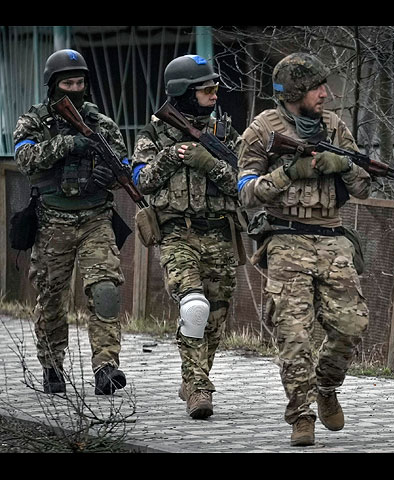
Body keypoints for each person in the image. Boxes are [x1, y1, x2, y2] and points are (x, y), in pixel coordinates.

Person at [237, 52, 371, 446]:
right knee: (293, 335)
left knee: (352, 324)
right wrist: (287, 172)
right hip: (285, 240)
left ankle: (327, 387)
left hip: (332, 239)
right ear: (296, 91)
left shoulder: (334, 127)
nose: (326, 94)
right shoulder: (263, 130)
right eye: (318, 88)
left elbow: (365, 184)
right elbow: (245, 192)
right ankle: (302, 414)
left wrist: (342, 166)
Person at [132, 54, 243, 420]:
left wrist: (207, 162)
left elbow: (244, 184)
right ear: (183, 93)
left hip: (220, 234)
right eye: (206, 89)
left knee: (215, 320)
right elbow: (140, 181)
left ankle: (194, 377)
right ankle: (198, 388)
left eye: (215, 88)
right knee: (194, 307)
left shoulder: (224, 132)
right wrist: (172, 157)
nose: (214, 95)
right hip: (177, 234)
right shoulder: (154, 133)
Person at [13, 48, 129, 396]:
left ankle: (106, 368)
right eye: (68, 83)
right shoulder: (34, 121)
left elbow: (121, 164)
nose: (75, 89)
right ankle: (51, 365)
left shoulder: (102, 124)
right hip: (52, 221)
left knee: (105, 290)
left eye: (79, 82)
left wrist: (109, 172)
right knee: (51, 298)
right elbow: (26, 158)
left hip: (95, 219)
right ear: (54, 85)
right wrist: (68, 144)